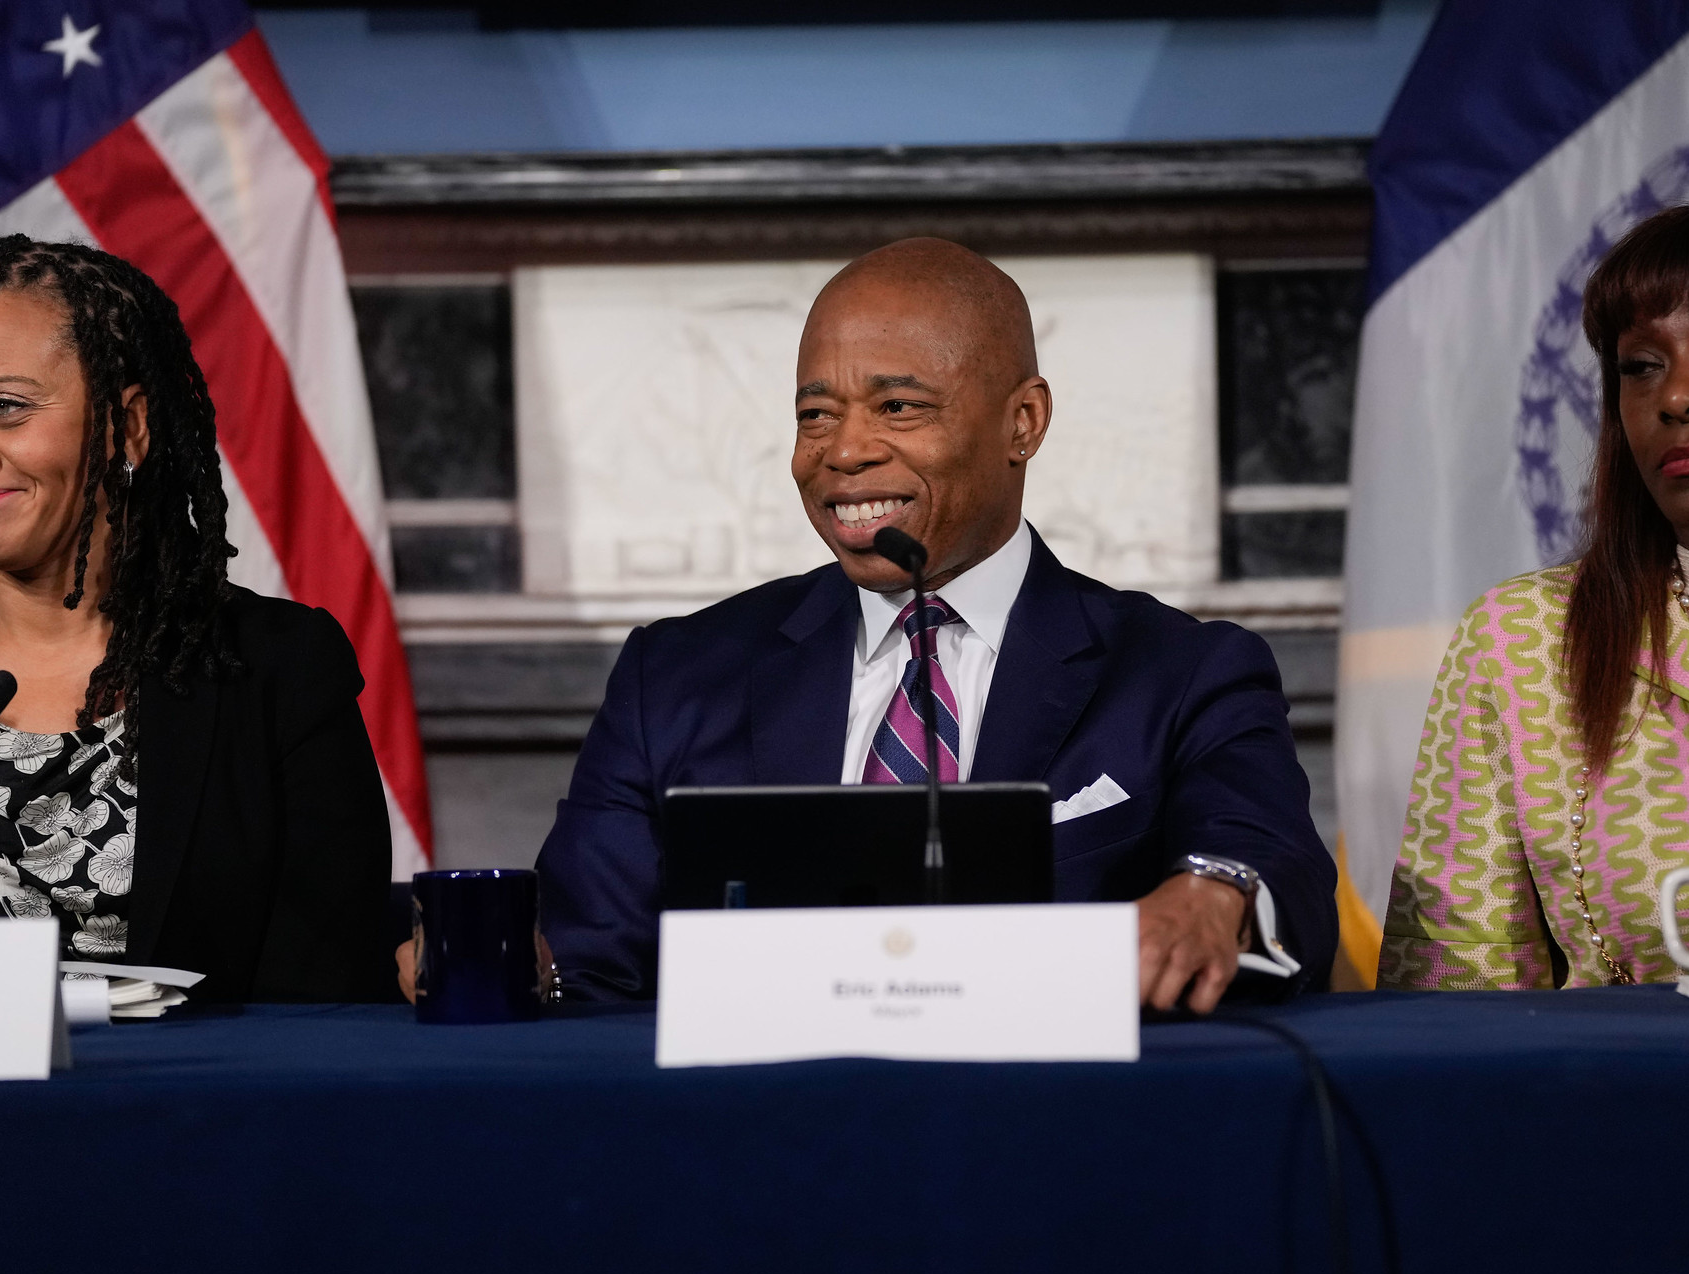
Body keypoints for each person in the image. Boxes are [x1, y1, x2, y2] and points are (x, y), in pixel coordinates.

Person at [528, 237, 1337, 1011]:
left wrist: (1215, 894)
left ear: (1022, 422)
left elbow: (1270, 865)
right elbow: (584, 964)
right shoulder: (673, 676)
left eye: (896, 406)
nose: (843, 451)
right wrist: (520, 964)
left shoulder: (1185, 673)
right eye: (815, 414)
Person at [0, 235, 390, 1002]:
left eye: (4, 406)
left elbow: (326, 996)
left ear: (126, 425)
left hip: (198, 1085)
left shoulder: (278, 671)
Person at [1384, 199, 1689, 989]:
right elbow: (1453, 995)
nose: (1677, 396)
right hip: (1628, 1075)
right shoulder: (1525, 637)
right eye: (1640, 366)